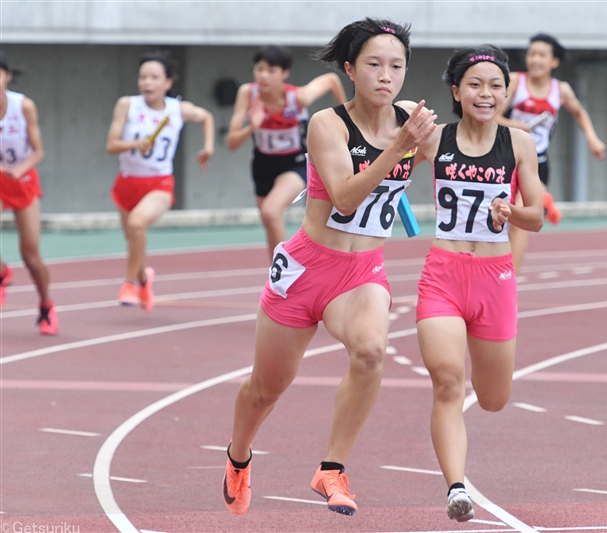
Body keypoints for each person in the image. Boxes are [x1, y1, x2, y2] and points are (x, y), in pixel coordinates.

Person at [223, 18, 436, 517]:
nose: (387, 76)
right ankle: (238, 456)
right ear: (350, 69)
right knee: (265, 389)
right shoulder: (327, 123)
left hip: (362, 271)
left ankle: (331, 469)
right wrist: (400, 147)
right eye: (374, 65)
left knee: (370, 351)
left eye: (397, 65)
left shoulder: (411, 120)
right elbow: (343, 196)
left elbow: (455, 153)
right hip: (305, 268)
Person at [413, 45, 544, 522]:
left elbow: (537, 218)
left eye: (494, 85)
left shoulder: (520, 143)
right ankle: (455, 488)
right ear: (456, 91)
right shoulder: (434, 140)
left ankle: (459, 476)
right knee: (448, 381)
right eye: (474, 84)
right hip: (444, 275)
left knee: (492, 399)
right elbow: (389, 154)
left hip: (495, 279)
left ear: (506, 92)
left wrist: (512, 212)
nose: (485, 93)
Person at [105, 51, 214, 312]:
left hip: (159, 185)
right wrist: (134, 144)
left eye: (154, 77)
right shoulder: (127, 105)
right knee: (134, 240)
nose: (147, 83)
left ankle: (129, 284)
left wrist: (208, 147)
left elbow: (206, 117)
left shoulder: (178, 109)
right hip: (128, 183)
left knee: (137, 223)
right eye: (143, 77)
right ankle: (144, 279)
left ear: (167, 83)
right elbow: (111, 145)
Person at [496, 33, 605, 272]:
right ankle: (545, 201)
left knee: (519, 223)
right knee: (503, 221)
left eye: (541, 55)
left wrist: (592, 138)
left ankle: (511, 278)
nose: (534, 59)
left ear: (554, 62)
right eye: (531, 53)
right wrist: (516, 126)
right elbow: (495, 116)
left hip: (537, 162)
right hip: (506, 159)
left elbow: (579, 112)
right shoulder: (515, 81)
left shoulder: (560, 90)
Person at [227, 45, 346, 259]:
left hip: (295, 162)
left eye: (271, 71)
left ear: (284, 73)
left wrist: (349, 123)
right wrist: (252, 126)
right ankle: (276, 272)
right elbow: (232, 143)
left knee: (271, 212)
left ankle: (285, 268)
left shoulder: (298, 98)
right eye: (259, 69)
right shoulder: (248, 93)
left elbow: (331, 80)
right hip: (262, 164)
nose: (263, 76)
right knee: (269, 221)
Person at [0, 53, 58, 335]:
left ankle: (46, 306)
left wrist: (17, 169)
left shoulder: (23, 106)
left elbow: (38, 151)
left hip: (22, 178)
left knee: (31, 255)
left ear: (7, 76)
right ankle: (1, 272)